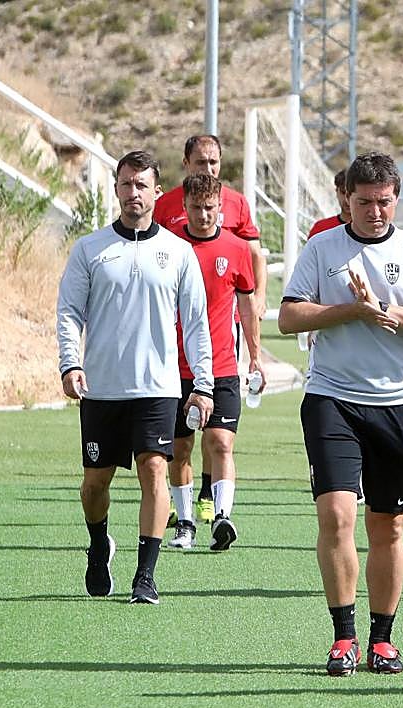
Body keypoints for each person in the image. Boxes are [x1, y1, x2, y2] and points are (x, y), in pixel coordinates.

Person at [278, 152, 403, 676]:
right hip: (332, 398)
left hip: (400, 404)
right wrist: (351, 310)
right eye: (364, 202)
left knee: (389, 526)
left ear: (396, 199)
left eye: (383, 202)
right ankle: (343, 637)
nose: (375, 212)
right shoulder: (322, 247)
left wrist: (388, 311)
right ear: (345, 201)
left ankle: (382, 639)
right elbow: (289, 315)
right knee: (336, 516)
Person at [57, 149, 214, 604]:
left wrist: (202, 385)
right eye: (125, 184)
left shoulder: (178, 252)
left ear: (156, 192)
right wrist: (71, 362)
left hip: (157, 388)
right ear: (116, 190)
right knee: (94, 485)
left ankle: (145, 575)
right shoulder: (90, 249)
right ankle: (99, 542)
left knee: (154, 471)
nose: (133, 193)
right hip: (102, 387)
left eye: (141, 185)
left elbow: (197, 322)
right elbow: (69, 311)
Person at [154, 134, 268, 524]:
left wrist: (255, 351)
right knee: (176, 447)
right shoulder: (165, 213)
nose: (208, 169)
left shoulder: (237, 214)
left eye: (215, 163)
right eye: (201, 162)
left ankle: (218, 512)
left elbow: (251, 263)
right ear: (186, 164)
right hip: (173, 357)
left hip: (221, 348)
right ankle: (178, 511)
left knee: (219, 440)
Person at [309, 168, 351, 238]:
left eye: (351, 194)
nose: (347, 200)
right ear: (336, 191)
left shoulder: (368, 230)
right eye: (343, 192)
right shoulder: (320, 228)